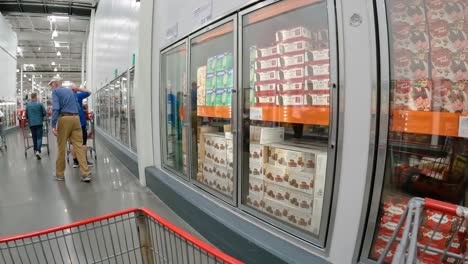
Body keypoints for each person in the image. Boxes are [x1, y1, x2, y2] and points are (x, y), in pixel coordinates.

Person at [49, 76, 91, 182]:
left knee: (61, 146)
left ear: (55, 83)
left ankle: (59, 174)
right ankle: (86, 174)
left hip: (65, 119)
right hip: (76, 119)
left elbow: (56, 108)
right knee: (79, 146)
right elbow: (77, 106)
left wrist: (53, 125)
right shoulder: (70, 92)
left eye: (51, 84)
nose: (51, 86)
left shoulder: (55, 92)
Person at [69, 83, 93, 168]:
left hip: (71, 123)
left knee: (72, 143)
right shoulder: (78, 96)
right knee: (83, 143)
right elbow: (89, 92)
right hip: (81, 122)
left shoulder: (66, 98)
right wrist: (78, 88)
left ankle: (75, 162)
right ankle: (84, 161)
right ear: (75, 89)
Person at [25, 93, 46, 159]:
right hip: (39, 123)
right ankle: (38, 150)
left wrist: (30, 119)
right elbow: (44, 113)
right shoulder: (40, 104)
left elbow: (26, 115)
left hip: (31, 124)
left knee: (34, 137)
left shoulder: (28, 105)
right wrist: (41, 117)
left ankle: (35, 149)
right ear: (36, 97)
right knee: (39, 137)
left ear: (31, 97)